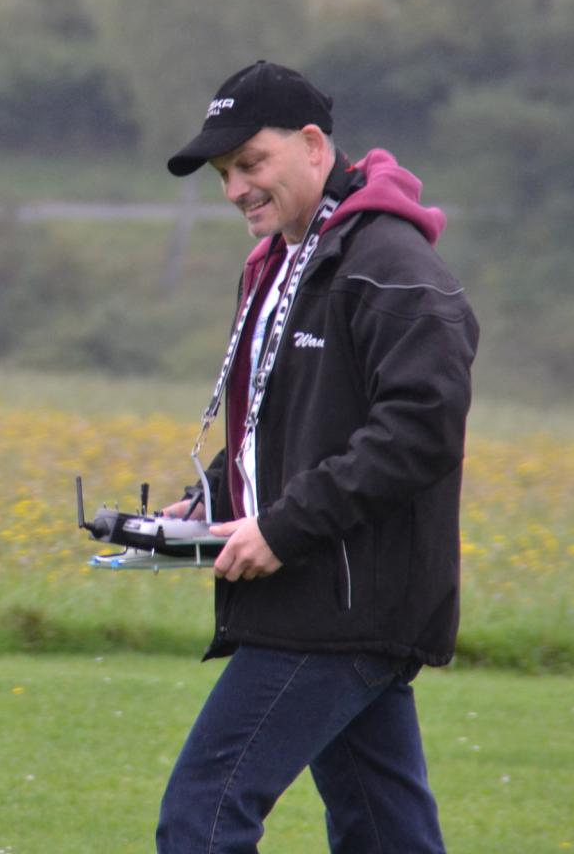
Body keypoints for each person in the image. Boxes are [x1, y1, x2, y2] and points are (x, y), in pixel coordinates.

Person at [152, 60, 478, 854]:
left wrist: (283, 527)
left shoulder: (391, 267)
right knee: (384, 835)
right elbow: (289, 417)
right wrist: (217, 497)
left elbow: (420, 431)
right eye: (225, 174)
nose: (236, 189)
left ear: (311, 144)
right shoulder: (288, 259)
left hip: (337, 607)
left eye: (250, 163)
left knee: (203, 816)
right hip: (327, 601)